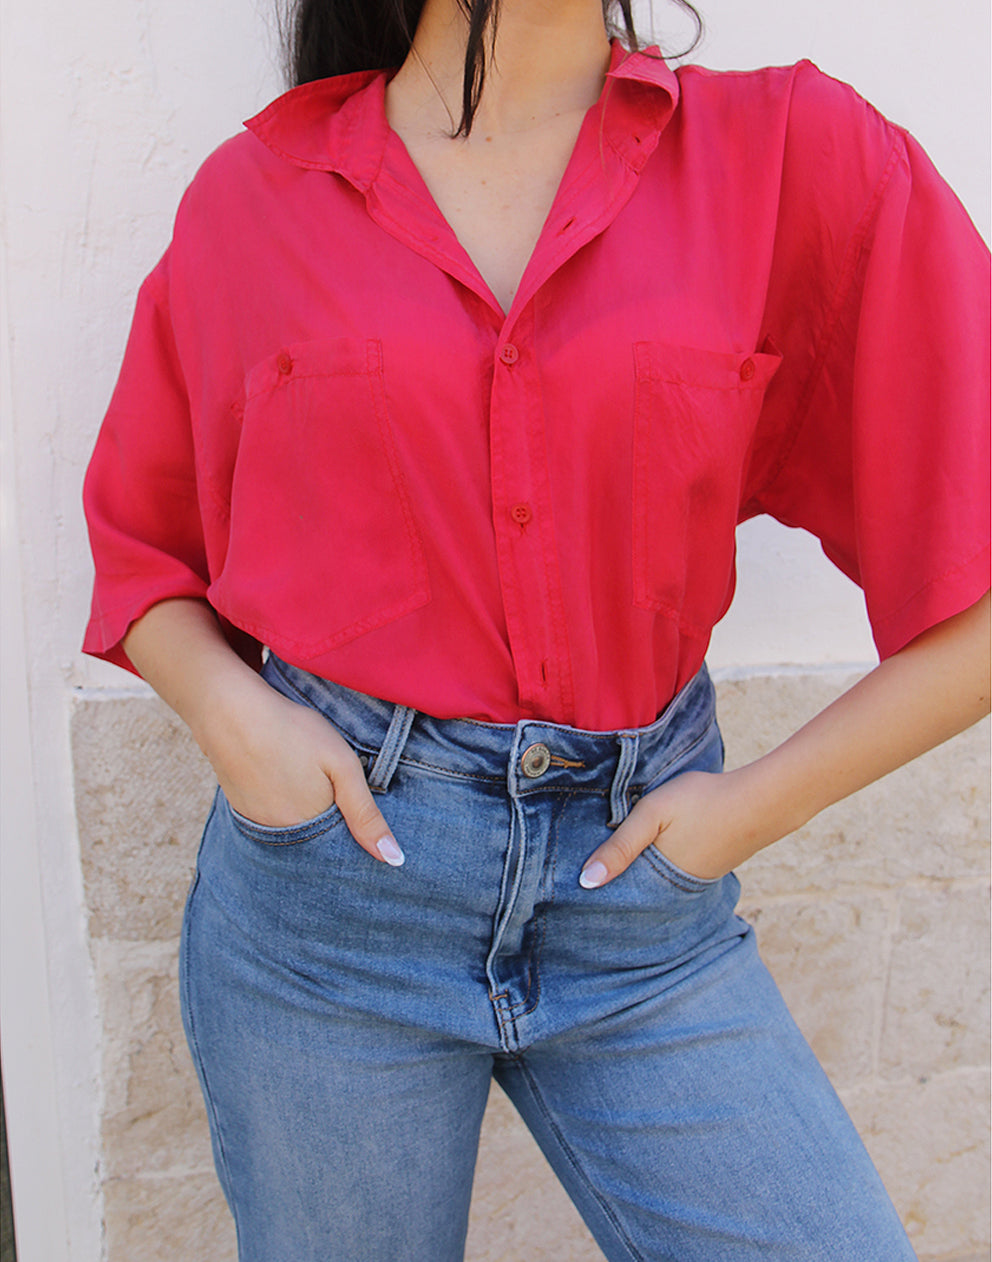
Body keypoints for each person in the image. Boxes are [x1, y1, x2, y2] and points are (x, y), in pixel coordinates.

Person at [81, 0, 990, 1258]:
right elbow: (146, 552)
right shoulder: (256, 197)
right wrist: (238, 719)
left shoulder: (791, 156)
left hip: (642, 909)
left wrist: (744, 809)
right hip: (335, 910)